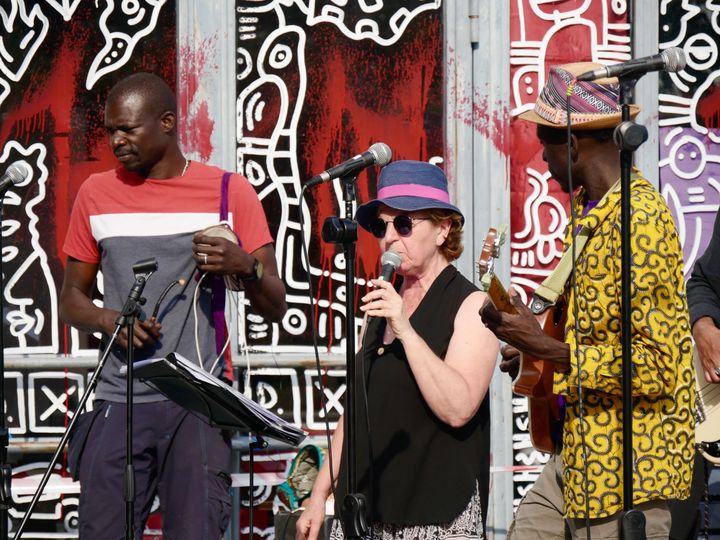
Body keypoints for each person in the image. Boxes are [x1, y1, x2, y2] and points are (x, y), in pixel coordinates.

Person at [59, 72, 287, 539]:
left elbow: (276, 304)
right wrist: (109, 321)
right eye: (109, 131)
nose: (116, 141)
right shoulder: (96, 193)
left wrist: (245, 266)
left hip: (197, 406)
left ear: (167, 123)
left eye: (127, 129)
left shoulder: (229, 192)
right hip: (117, 399)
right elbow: (70, 300)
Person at [479, 62, 695, 539]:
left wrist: (549, 350)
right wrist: (533, 342)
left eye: (545, 146)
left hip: (627, 469)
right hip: (576, 455)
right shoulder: (588, 215)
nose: (541, 160)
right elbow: (586, 330)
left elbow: (659, 365)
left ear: (572, 144)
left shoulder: (640, 223)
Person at [295, 160, 498, 539]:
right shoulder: (381, 304)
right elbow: (356, 407)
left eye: (403, 223)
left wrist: (404, 328)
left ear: (442, 229)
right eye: (381, 226)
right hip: (367, 509)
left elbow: (458, 408)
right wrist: (319, 493)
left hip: (435, 511)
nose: (389, 237)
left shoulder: (472, 304)